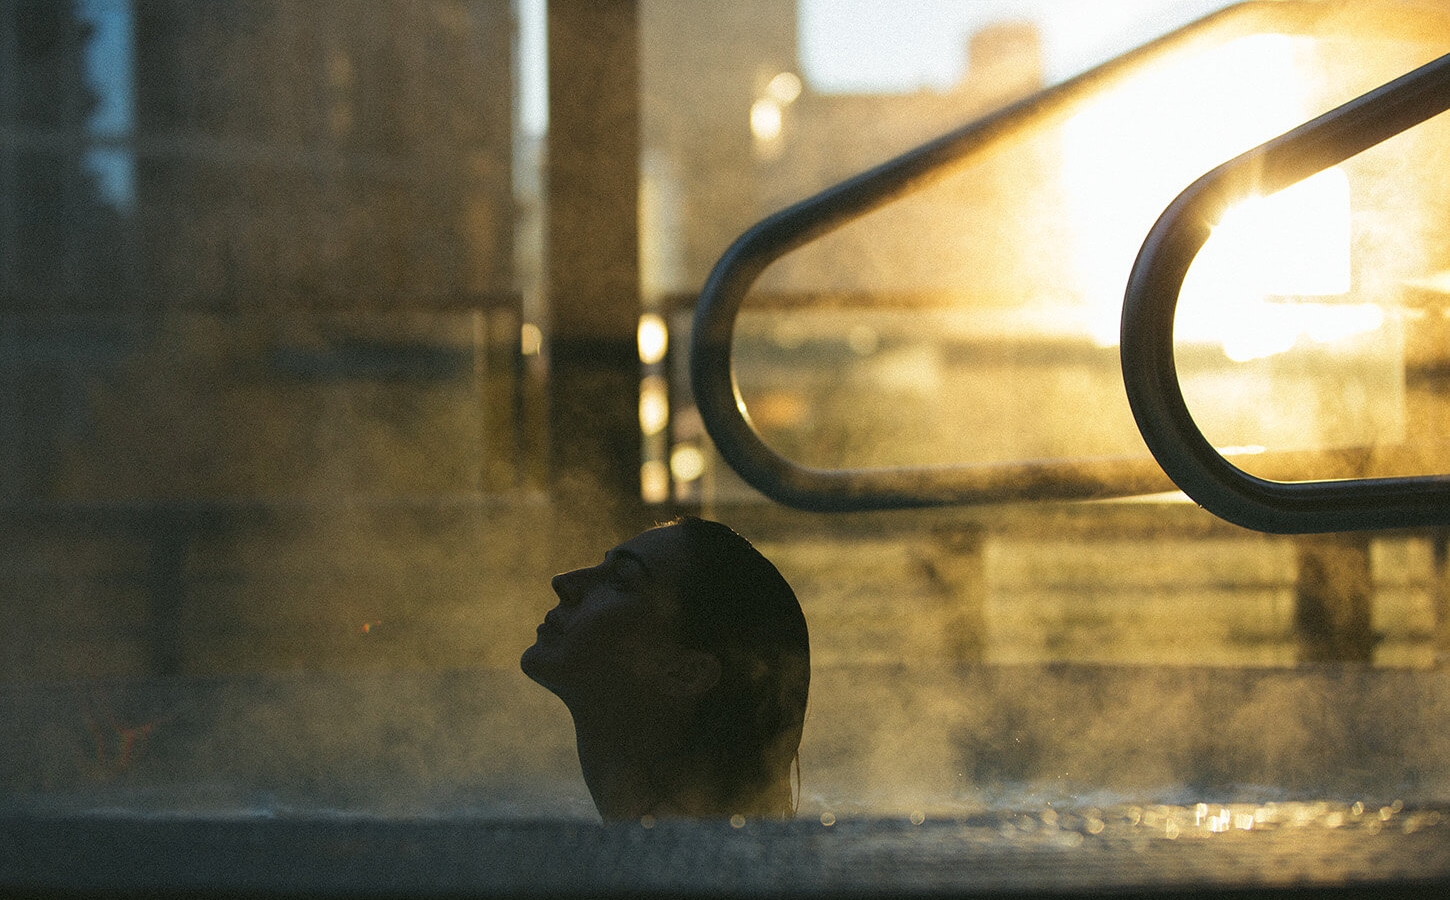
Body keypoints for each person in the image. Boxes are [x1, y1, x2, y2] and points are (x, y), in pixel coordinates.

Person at [520, 515, 810, 821]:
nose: (564, 582)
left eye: (621, 579)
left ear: (686, 673)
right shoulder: (687, 846)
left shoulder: (675, 860)